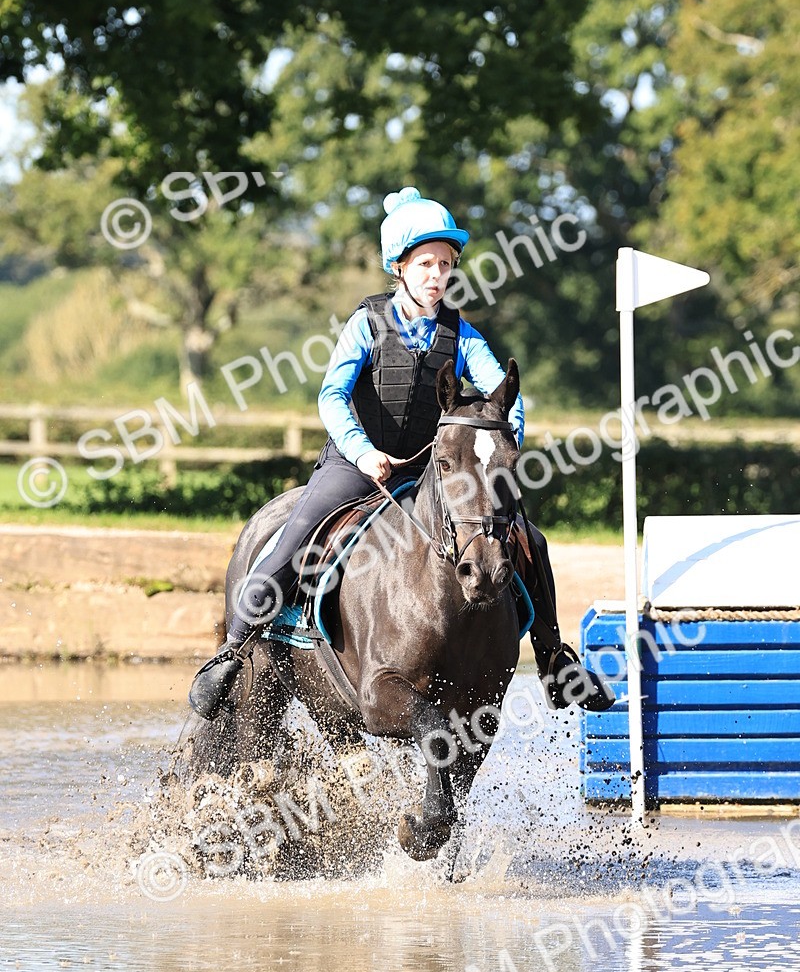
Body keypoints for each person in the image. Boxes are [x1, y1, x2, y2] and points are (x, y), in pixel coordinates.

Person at [189, 187, 614, 720]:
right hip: (356, 466)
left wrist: (505, 444)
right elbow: (331, 397)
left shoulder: (464, 336)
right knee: (295, 535)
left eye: (447, 264)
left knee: (529, 538)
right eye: (427, 264)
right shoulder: (366, 324)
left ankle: (554, 662)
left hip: (432, 473)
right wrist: (364, 453)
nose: (439, 275)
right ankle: (233, 651)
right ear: (399, 266)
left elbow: (505, 398)